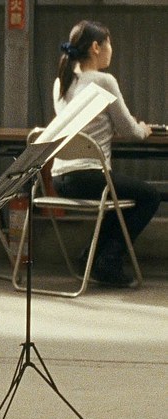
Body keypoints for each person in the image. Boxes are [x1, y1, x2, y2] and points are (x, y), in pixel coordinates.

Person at [52, 20, 160, 287]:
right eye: (109, 43)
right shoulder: (104, 81)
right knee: (149, 196)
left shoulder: (61, 82)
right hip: (89, 176)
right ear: (96, 47)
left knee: (116, 195)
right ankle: (108, 261)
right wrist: (144, 128)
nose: (112, 49)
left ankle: (90, 257)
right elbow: (131, 131)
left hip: (60, 179)